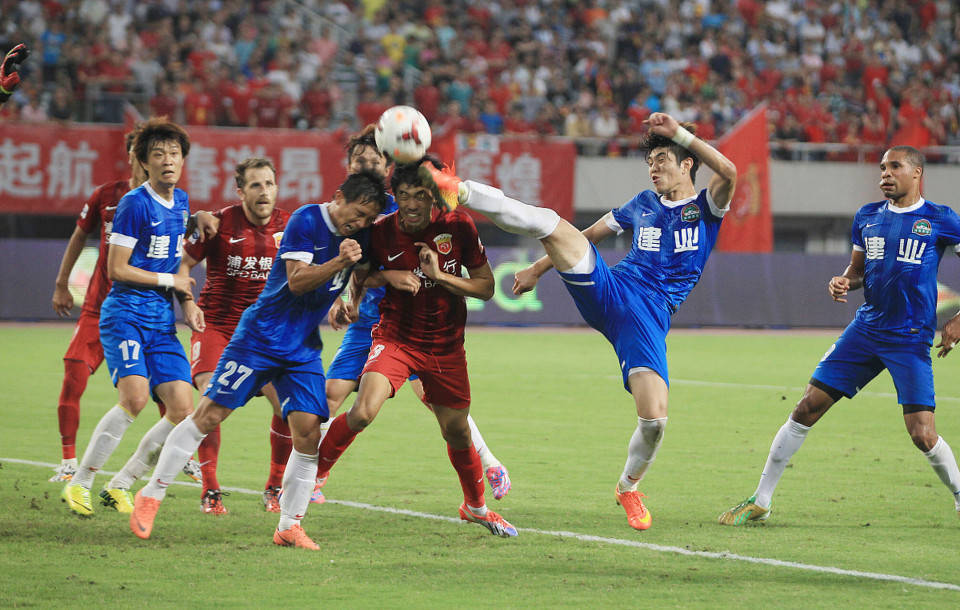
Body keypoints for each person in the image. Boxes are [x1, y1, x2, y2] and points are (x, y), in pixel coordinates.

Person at [420, 112, 737, 530]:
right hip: (610, 289)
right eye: (650, 162)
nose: (654, 168)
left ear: (687, 164)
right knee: (554, 224)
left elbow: (729, 171)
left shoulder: (707, 207)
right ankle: (459, 190)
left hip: (647, 319)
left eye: (662, 159)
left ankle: (628, 487)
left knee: (655, 419)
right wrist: (536, 269)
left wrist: (679, 133)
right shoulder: (640, 205)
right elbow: (587, 236)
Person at [130, 171, 387, 550]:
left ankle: (289, 525)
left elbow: (362, 272)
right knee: (209, 415)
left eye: (368, 219)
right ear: (339, 196)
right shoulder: (307, 220)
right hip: (260, 337)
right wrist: (337, 263)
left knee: (308, 433)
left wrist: (350, 300)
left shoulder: (360, 236)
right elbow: (297, 281)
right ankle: (151, 494)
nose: (360, 223)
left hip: (301, 347)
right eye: (358, 213)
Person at [719, 146, 960, 525]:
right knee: (806, 407)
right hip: (865, 330)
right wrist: (844, 280)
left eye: (894, 166)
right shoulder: (867, 217)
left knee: (922, 434)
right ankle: (761, 499)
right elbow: (857, 271)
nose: (885, 173)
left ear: (916, 173)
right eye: (882, 167)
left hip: (909, 338)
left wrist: (958, 319)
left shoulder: (941, 220)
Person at [317, 159, 518, 538]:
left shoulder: (458, 226)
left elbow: (487, 287)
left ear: (435, 197)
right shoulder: (380, 231)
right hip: (396, 337)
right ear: (395, 196)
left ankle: (475, 507)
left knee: (457, 431)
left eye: (420, 196)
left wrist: (440, 276)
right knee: (363, 411)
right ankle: (313, 475)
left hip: (445, 346)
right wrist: (374, 286)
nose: (410, 205)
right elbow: (361, 274)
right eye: (404, 195)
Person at [62, 117, 203, 516]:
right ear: (143, 162)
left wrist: (187, 302)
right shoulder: (132, 204)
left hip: (161, 320)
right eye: (158, 154)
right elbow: (116, 268)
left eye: (174, 153)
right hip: (125, 313)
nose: (168, 161)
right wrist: (169, 278)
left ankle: (121, 484)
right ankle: (80, 482)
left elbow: (177, 263)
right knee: (136, 398)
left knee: (181, 409)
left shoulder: (182, 202)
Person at [179, 157, 292, 514]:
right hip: (217, 326)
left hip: (264, 335)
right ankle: (210, 490)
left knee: (287, 409)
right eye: (256, 185)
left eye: (269, 184)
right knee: (212, 402)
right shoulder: (217, 224)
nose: (264, 192)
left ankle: (275, 486)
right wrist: (186, 302)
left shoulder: (290, 227)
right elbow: (183, 264)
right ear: (240, 191)